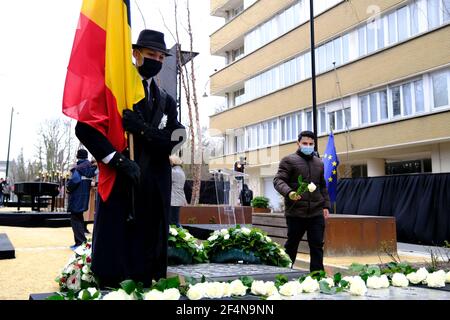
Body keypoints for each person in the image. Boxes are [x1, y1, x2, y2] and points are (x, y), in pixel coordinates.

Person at [75, 29, 185, 288]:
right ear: (135, 54)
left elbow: (177, 137)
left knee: (148, 241)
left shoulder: (166, 99)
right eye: (150, 54)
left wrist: (143, 130)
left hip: (155, 180)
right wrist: (117, 160)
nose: (156, 60)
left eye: (161, 56)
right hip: (123, 177)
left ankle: (145, 282)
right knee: (117, 238)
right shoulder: (115, 90)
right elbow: (85, 128)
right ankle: (112, 285)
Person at [273, 131, 330, 272]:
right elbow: (278, 180)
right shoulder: (289, 160)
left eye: (311, 144)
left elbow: (322, 185)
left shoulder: (319, 163)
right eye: (305, 143)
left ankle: (317, 276)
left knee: (317, 246)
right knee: (292, 245)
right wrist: (289, 192)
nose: (308, 146)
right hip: (295, 212)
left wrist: (325, 205)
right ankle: (284, 274)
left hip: (316, 212)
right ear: (298, 143)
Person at [66, 149, 97, 250]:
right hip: (84, 196)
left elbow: (74, 180)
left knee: (75, 220)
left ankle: (80, 243)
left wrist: (68, 187)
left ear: (77, 156)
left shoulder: (78, 168)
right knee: (79, 218)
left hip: (76, 197)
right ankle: (79, 243)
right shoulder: (90, 168)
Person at [169, 154, 187, 227]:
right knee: (175, 221)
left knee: (174, 222)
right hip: (177, 198)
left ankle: (184, 236)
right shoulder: (180, 171)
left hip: (174, 200)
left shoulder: (173, 172)